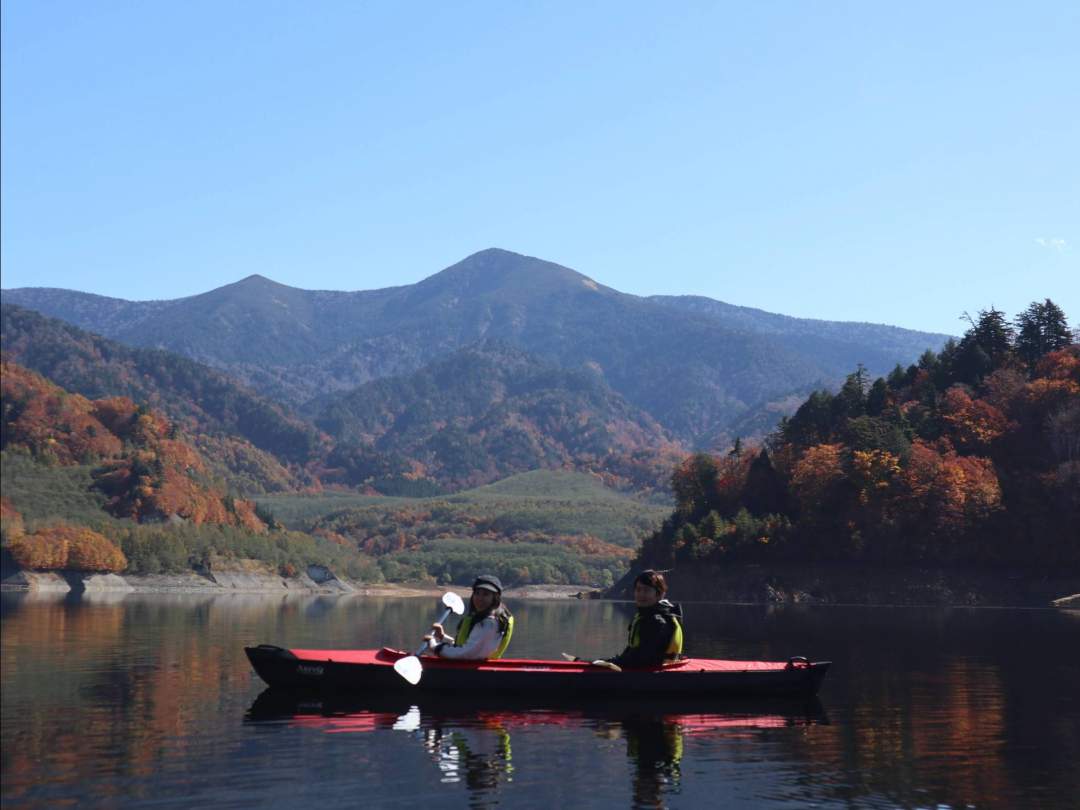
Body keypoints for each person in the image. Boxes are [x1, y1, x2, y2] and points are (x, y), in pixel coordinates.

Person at [605, 570, 683, 668]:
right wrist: (614, 661)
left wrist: (616, 663)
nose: (641, 594)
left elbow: (644, 657)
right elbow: (633, 650)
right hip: (648, 668)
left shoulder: (657, 621)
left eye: (646, 590)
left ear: (659, 594)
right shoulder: (646, 616)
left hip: (652, 674)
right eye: (638, 590)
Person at [427, 574, 514, 660]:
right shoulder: (493, 619)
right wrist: (443, 637)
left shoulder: (489, 623)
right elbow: (472, 647)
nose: (479, 598)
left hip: (473, 671)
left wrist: (435, 647)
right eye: (477, 593)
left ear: (495, 598)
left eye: (486, 594)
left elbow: (466, 654)